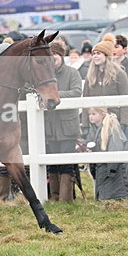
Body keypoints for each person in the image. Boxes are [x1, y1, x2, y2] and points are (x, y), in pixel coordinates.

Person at [44, 41, 82, 202]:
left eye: (55, 55)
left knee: (66, 163)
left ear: (61, 56)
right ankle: (54, 196)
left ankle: (66, 199)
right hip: (50, 127)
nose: (53, 58)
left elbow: (76, 92)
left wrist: (55, 95)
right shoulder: (44, 75)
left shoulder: (72, 73)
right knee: (52, 164)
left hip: (67, 126)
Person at [83, 35, 128, 132]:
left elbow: (126, 100)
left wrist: (123, 123)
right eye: (94, 53)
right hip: (94, 123)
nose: (95, 56)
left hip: (113, 121)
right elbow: (85, 100)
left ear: (107, 55)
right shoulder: (90, 75)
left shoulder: (120, 74)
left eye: (98, 53)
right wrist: (85, 125)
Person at [85, 107, 128, 200]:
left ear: (102, 114)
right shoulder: (93, 130)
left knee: (113, 199)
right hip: (102, 170)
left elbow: (115, 150)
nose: (90, 117)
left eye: (94, 114)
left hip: (112, 171)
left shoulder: (112, 129)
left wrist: (111, 171)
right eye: (90, 114)